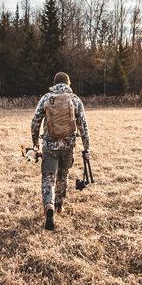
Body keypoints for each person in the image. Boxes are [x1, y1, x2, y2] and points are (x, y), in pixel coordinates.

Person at [30, 71, 91, 231]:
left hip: (50, 146)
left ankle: (48, 205)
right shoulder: (75, 100)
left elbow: (35, 122)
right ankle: (58, 205)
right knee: (63, 176)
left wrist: (35, 143)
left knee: (48, 178)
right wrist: (87, 147)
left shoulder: (46, 98)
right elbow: (83, 125)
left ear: (54, 83)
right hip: (68, 146)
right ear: (68, 84)